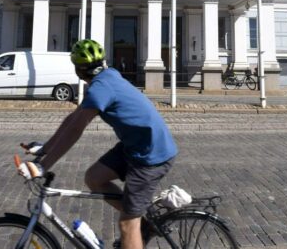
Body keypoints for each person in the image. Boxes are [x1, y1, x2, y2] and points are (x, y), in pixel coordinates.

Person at [24, 39, 177, 249]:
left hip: (151, 154)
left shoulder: (100, 88)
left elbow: (76, 129)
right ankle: (141, 219)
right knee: (94, 178)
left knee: (126, 224)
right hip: (135, 146)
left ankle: (135, 221)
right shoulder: (107, 76)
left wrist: (43, 166)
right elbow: (73, 119)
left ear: (78, 70)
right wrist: (45, 149)